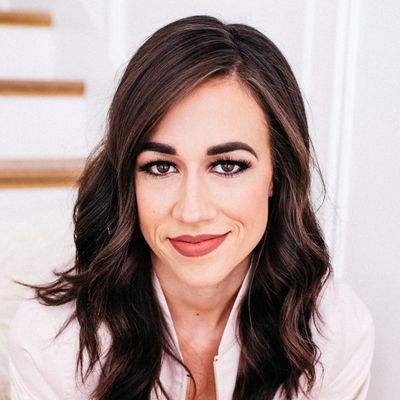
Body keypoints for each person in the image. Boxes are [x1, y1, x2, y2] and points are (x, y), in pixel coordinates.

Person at [7, 15, 374, 400]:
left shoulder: (336, 332)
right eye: (160, 167)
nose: (192, 212)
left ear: (276, 174)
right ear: (128, 179)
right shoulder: (50, 340)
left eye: (228, 166)